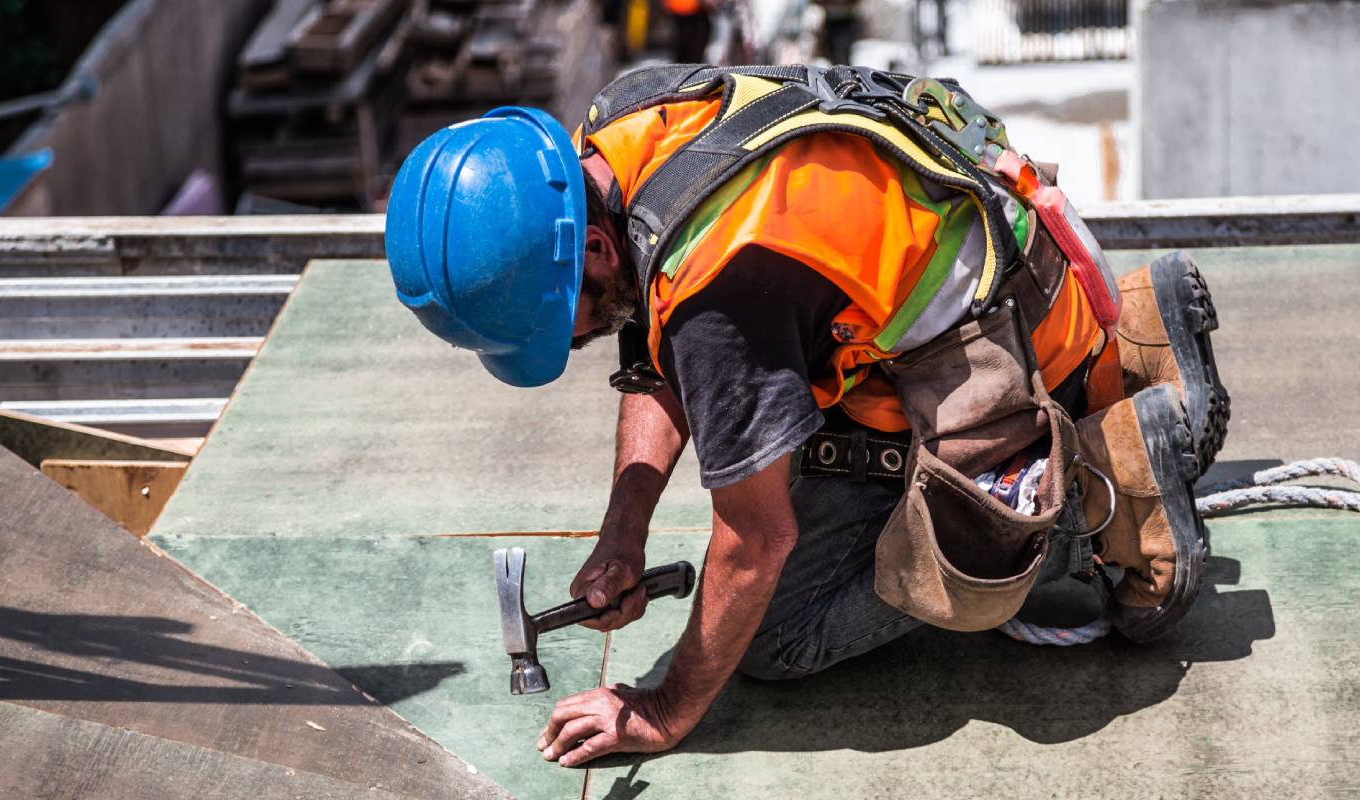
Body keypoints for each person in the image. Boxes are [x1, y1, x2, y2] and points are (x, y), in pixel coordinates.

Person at [383, 64, 1230, 767]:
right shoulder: (625, 125)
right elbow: (655, 345)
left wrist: (664, 709)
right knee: (766, 449)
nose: (567, 347)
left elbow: (757, 540)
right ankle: (1137, 339)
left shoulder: (722, 291)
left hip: (1005, 365)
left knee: (778, 636)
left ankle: (1099, 486)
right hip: (1011, 278)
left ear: (594, 248)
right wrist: (624, 531)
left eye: (556, 325)